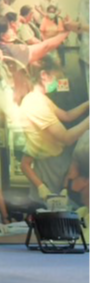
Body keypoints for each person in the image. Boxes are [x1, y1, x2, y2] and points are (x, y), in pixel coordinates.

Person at [18, 56, 90, 200]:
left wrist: (88, 104)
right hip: (47, 165)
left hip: (59, 160)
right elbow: (67, 138)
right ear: (44, 75)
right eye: (57, 78)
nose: (58, 83)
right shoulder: (34, 103)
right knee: (50, 208)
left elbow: (67, 116)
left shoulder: (41, 99)